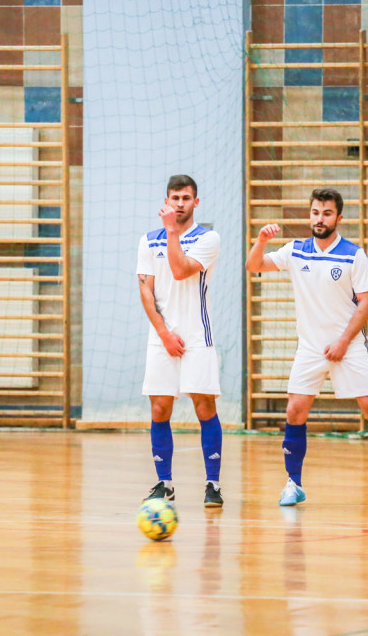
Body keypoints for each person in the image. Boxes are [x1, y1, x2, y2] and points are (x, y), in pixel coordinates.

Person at [246, 188, 368, 506]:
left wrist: (343, 341)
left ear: (338, 217)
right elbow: (254, 265)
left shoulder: (353, 254)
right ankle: (293, 483)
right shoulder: (295, 250)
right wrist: (262, 240)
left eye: (326, 213)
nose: (319, 218)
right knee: (295, 411)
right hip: (310, 348)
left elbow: (367, 303)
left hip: (348, 347)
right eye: (314, 212)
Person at [137, 175, 224, 507]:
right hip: (162, 338)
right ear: (166, 200)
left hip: (198, 336)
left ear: (196, 202)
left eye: (186, 198)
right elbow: (145, 289)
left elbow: (180, 270)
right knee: (160, 408)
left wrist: (172, 232)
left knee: (204, 407)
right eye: (175, 197)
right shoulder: (147, 240)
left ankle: (213, 484)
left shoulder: (208, 238)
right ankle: (164, 483)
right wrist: (164, 333)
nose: (180, 203)